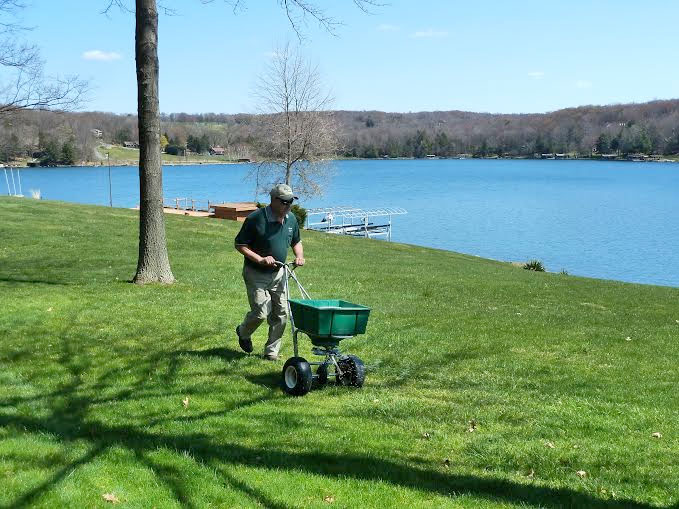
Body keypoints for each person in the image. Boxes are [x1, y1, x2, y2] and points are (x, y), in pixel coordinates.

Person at [234, 184, 305, 360]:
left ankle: (271, 352)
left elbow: (296, 241)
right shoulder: (256, 219)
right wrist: (260, 259)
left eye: (290, 202)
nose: (288, 205)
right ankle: (243, 332)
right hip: (256, 273)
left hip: (279, 273)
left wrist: (299, 256)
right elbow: (240, 245)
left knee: (281, 314)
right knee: (260, 313)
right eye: (284, 202)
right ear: (273, 200)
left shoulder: (291, 219)